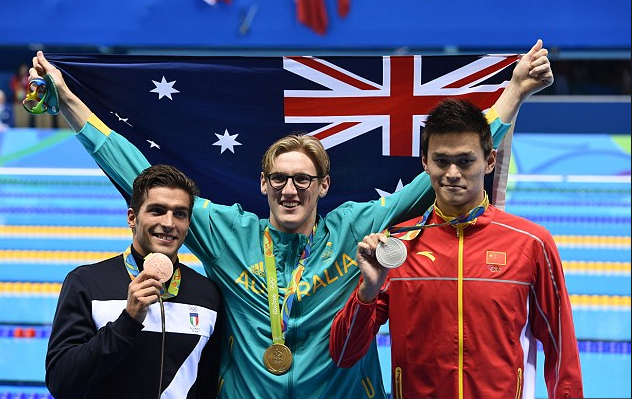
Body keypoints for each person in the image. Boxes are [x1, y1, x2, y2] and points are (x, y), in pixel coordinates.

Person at [31, 40, 552, 398]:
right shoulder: (228, 233)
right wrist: (69, 100)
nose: (289, 188)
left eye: (303, 179)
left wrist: (514, 93)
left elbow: (439, 173)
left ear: (324, 187)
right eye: (278, 177)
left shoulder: (355, 227)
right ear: (262, 184)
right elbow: (140, 175)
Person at [329, 98, 583, 399]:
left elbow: (560, 347)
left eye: (465, 161)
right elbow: (344, 353)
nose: (451, 173)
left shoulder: (530, 243)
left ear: (489, 161)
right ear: (424, 162)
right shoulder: (396, 246)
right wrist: (368, 291)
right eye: (441, 161)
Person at [45, 164, 222, 399]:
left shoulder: (206, 294)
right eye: (157, 210)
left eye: (180, 214)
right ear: (132, 217)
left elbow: (208, 386)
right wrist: (127, 321)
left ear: (188, 224)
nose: (169, 223)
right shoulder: (87, 283)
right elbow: (61, 381)